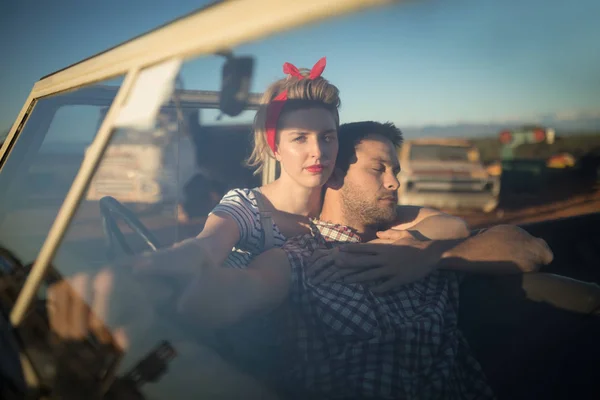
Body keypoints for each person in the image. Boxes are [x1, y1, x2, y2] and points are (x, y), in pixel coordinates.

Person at [48, 121, 599, 399]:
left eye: (395, 170)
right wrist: (132, 302)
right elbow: (222, 296)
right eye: (378, 169)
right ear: (331, 172)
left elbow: (529, 248)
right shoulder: (298, 254)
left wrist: (430, 257)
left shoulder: (418, 228)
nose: (395, 180)